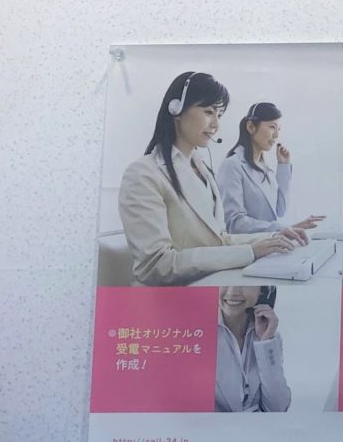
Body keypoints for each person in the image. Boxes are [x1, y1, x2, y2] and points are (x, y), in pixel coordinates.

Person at [117, 71, 295, 285]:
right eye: (209, 112)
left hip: (209, 285)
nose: (216, 125)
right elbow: (156, 265)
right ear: (176, 109)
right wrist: (251, 251)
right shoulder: (143, 174)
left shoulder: (203, 169)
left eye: (219, 115)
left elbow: (219, 240)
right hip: (171, 298)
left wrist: (272, 238)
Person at [219, 101, 325, 238]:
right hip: (250, 247)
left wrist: (283, 166)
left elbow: (280, 210)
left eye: (278, 129)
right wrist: (282, 228)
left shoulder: (265, 169)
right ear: (251, 127)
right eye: (272, 127)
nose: (276, 135)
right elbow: (235, 224)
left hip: (271, 244)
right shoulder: (232, 166)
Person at [215, 285, 290, 413]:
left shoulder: (269, 335)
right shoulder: (196, 332)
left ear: (263, 289)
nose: (233, 292)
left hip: (257, 425)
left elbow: (277, 408)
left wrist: (265, 343)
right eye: (224, 283)